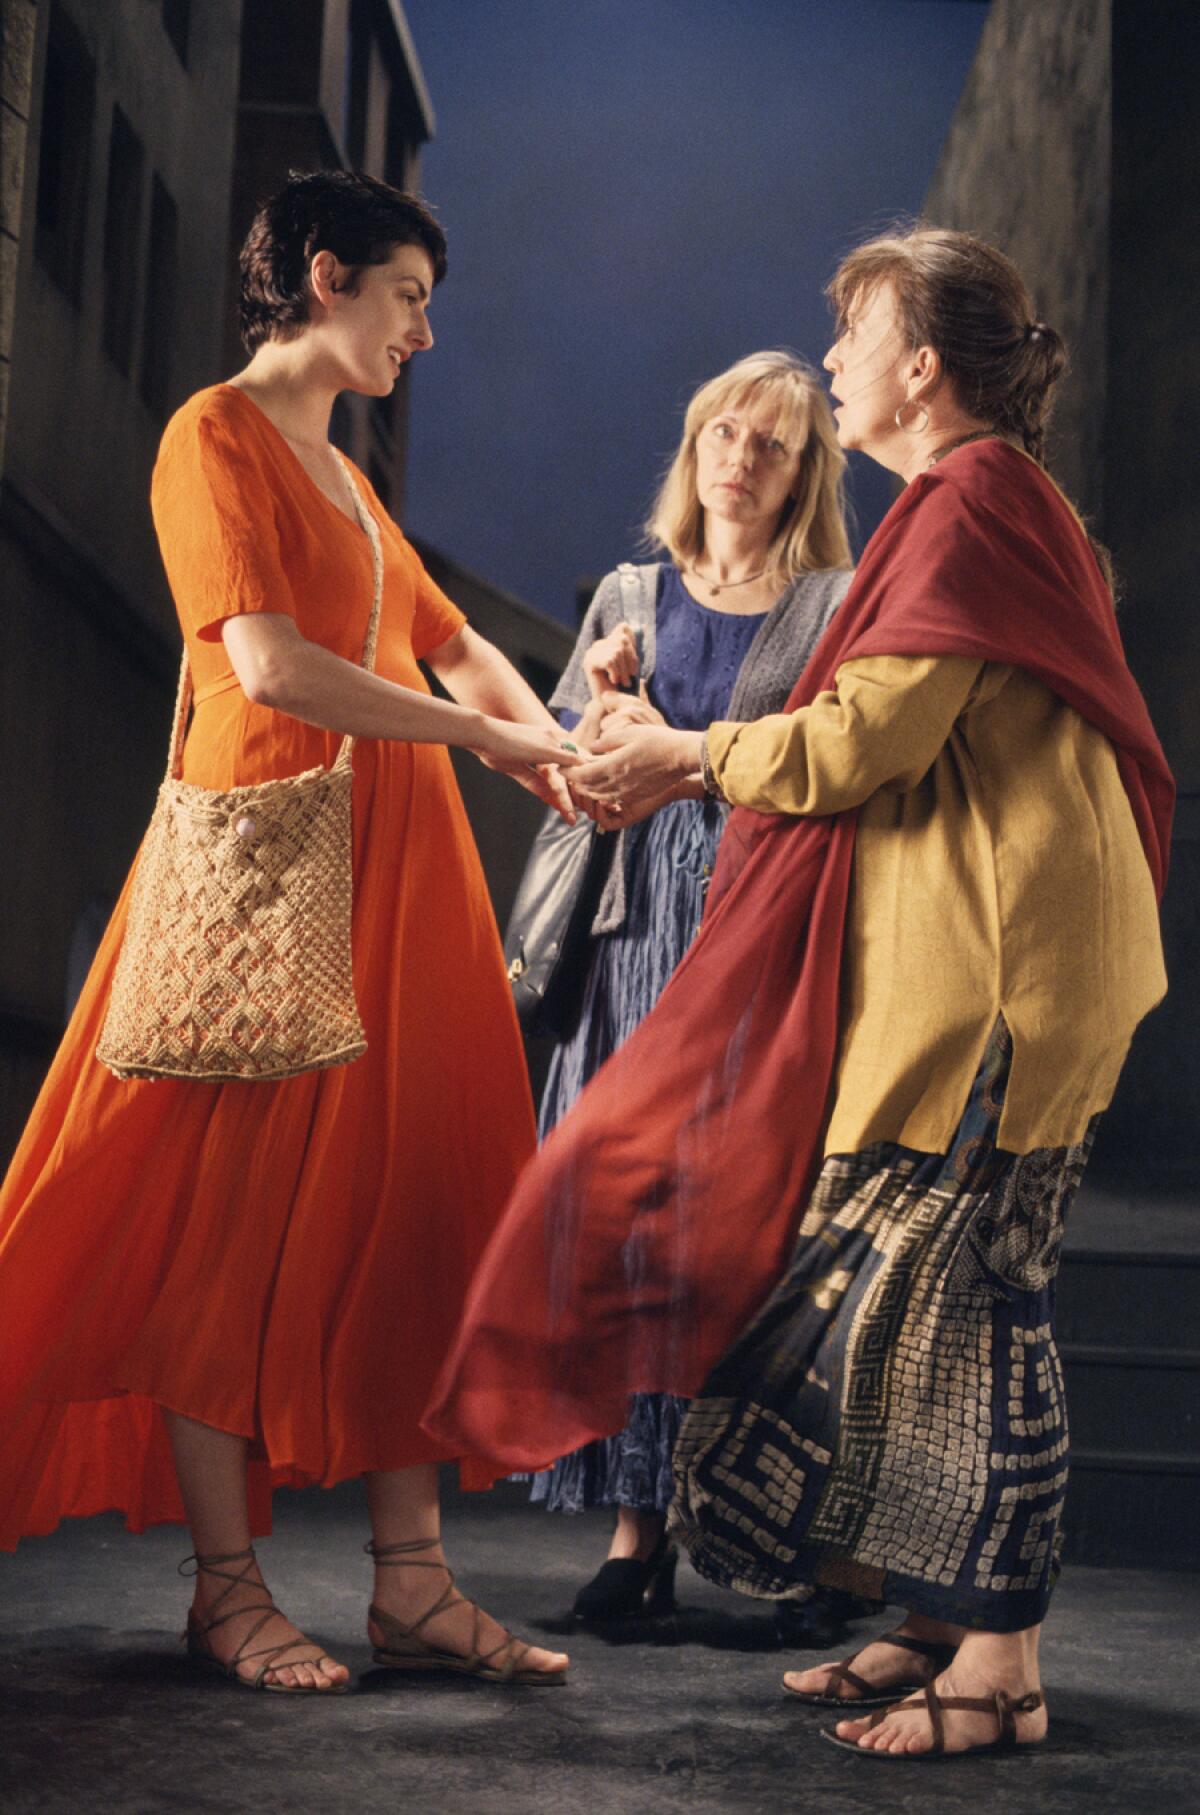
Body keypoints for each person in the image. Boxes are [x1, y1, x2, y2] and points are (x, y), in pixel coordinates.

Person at [425, 226, 1172, 1757]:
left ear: (923, 367)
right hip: (971, 955)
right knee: (902, 1295)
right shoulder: (963, 505)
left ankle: (1003, 1664)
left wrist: (684, 754)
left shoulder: (968, 510)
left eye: (853, 339)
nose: (829, 367)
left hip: (1005, 974)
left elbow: (858, 739)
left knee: (976, 1296)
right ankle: (927, 1619)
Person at [0, 170, 579, 1692]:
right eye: (409, 297)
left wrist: (562, 746)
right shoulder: (214, 438)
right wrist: (491, 748)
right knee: (226, 1225)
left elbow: (456, 649)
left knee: (413, 1212)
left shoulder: (347, 473)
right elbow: (273, 670)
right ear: (327, 277)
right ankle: (225, 1587)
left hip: (400, 876)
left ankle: (413, 1582)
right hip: (271, 867)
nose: (425, 334)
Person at [525, 352, 853, 1622]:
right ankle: (634, 1542)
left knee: (757, 1242)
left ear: (803, 471)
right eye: (725, 428)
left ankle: (796, 1548)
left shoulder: (834, 602)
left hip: (757, 942)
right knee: (629, 1234)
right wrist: (603, 708)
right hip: (624, 952)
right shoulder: (627, 593)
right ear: (693, 444)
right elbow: (565, 777)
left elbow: (836, 773)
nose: (741, 455)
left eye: (772, 441)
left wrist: (688, 762)